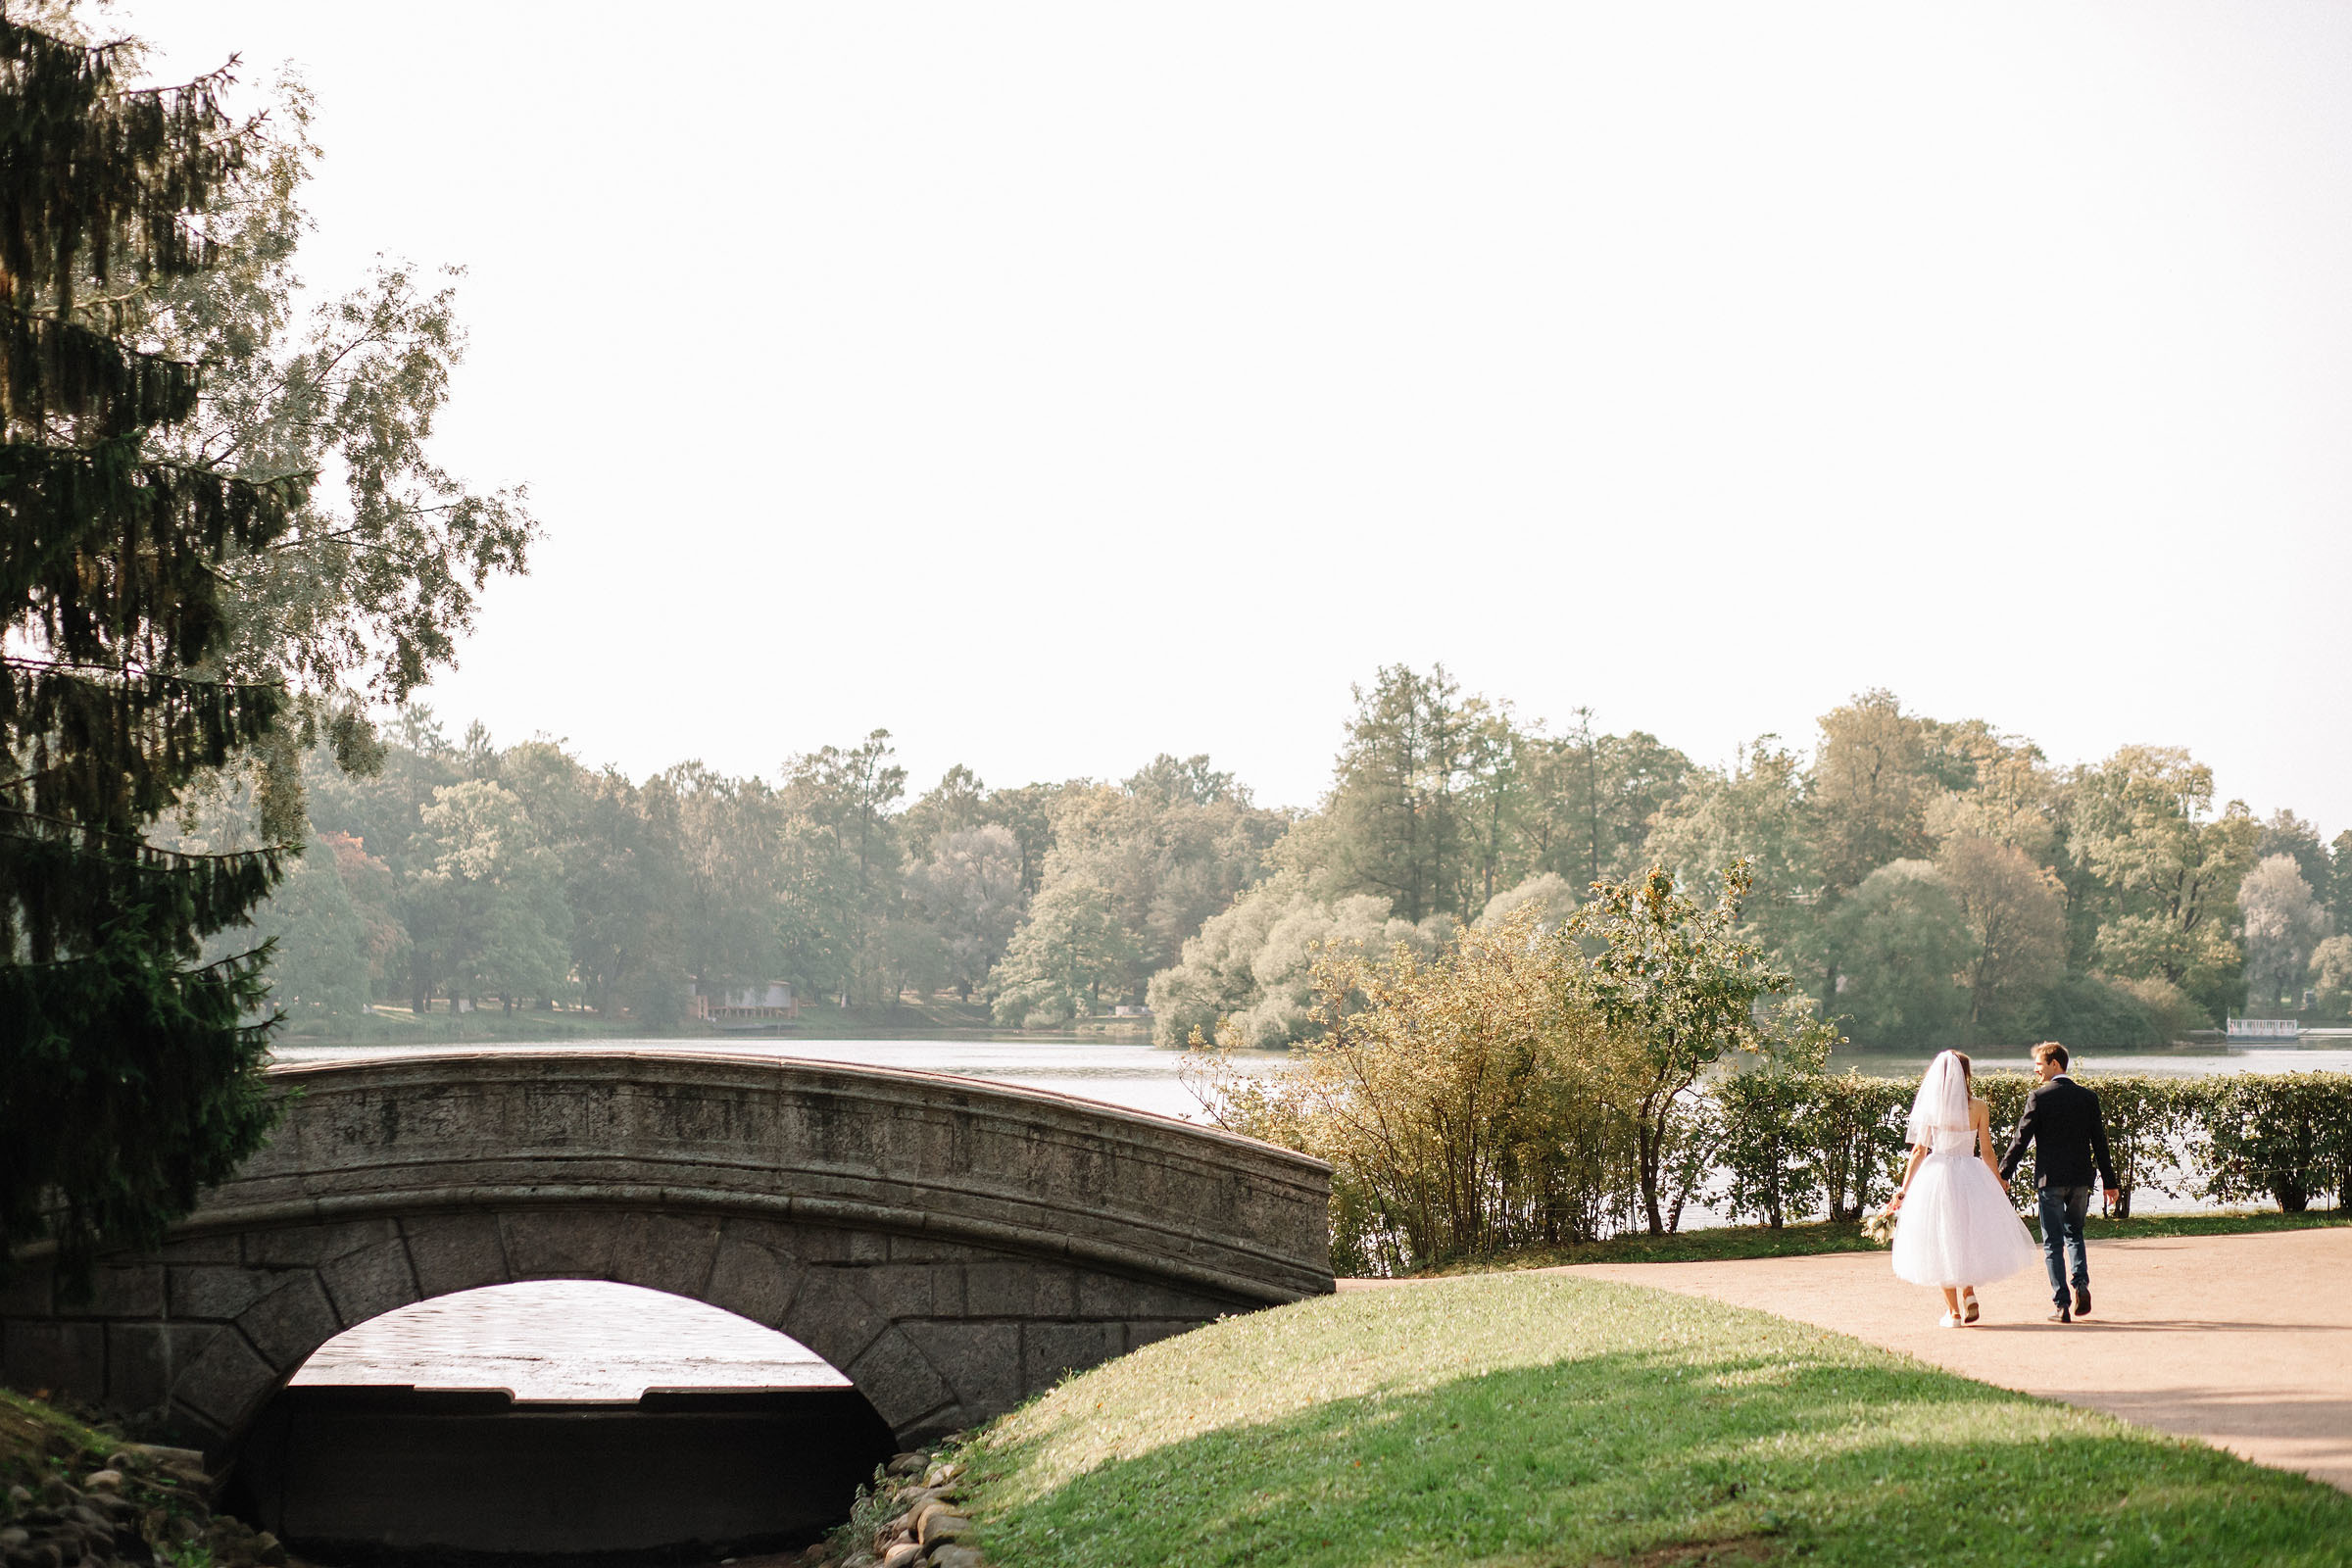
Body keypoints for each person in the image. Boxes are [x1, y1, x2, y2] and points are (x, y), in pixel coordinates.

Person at [1883, 1050, 2041, 1326]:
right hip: (1970, 1172)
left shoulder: (1932, 1108)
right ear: (1966, 1074)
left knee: (1939, 1239)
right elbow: (1987, 1150)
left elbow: (1919, 1151)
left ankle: (1954, 1313)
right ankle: (1968, 1292)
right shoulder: (1978, 1107)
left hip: (1938, 1175)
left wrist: (1904, 1189)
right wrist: (1997, 1180)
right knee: (1967, 1234)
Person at [1998, 1040, 2119, 1324]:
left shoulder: (2040, 1097)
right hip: (2080, 1180)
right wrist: (2110, 1183)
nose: (2036, 1070)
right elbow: (2100, 1143)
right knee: (2074, 1234)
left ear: (2055, 1063)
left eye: (2039, 1064)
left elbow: (2021, 1140)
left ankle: (2062, 1304)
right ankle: (2081, 1284)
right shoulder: (2087, 1098)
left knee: (2052, 1243)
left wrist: (2003, 1173)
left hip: (2049, 1180)